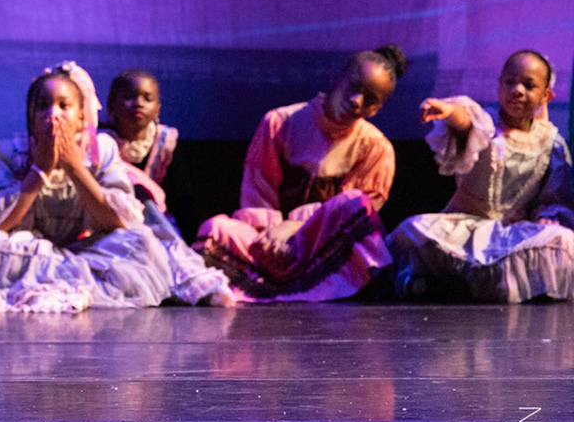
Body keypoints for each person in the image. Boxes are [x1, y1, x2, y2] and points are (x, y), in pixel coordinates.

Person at [0, 63, 196, 313]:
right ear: (31, 115)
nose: (53, 115)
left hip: (87, 251)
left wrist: (74, 168)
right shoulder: (12, 152)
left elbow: (117, 222)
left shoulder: (101, 149)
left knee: (141, 241)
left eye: (64, 106)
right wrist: (39, 170)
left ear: (81, 116)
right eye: (43, 106)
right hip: (29, 249)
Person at [194, 46, 403, 301]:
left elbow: (349, 214)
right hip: (268, 242)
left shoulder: (375, 147)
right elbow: (258, 190)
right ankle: (263, 284)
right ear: (336, 80)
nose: (356, 101)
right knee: (216, 228)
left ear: (377, 108)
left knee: (355, 202)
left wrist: (294, 228)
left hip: (322, 248)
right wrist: (273, 235)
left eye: (370, 99)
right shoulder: (281, 122)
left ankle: (322, 285)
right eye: (353, 88)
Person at [388, 50, 574, 302]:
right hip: (465, 229)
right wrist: (450, 111)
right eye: (510, 81)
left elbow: (554, 196)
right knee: (414, 230)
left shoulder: (551, 143)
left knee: (565, 241)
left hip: (513, 235)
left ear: (546, 95)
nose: (517, 90)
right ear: (499, 84)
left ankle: (455, 287)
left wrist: (547, 217)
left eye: (529, 85)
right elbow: (466, 120)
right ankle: (468, 286)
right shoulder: (486, 126)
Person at [99, 69, 234, 306]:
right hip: (114, 224)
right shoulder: (101, 143)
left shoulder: (164, 144)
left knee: (151, 216)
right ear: (111, 105)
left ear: (157, 109)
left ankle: (188, 281)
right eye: (129, 97)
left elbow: (184, 200)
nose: (138, 103)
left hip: (156, 224)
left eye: (147, 98)